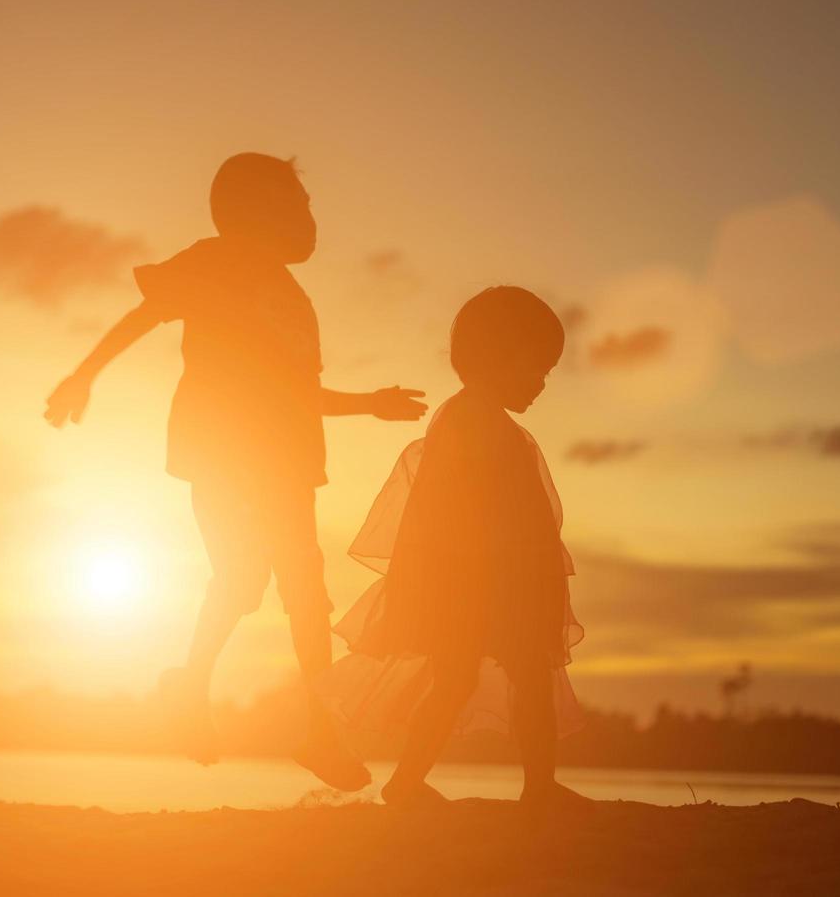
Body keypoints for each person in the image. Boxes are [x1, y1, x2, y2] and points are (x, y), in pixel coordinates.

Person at [43, 152, 426, 790]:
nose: (311, 219)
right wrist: (84, 375)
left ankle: (319, 732)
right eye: (299, 206)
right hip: (223, 448)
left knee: (307, 592)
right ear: (256, 214)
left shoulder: (296, 301)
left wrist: (370, 405)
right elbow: (147, 314)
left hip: (288, 461)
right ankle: (192, 686)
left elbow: (303, 393)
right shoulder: (218, 259)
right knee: (246, 579)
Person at [326, 286, 588, 809]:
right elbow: (458, 513)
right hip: (481, 584)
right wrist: (488, 581)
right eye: (534, 367)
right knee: (506, 676)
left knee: (472, 678)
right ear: (495, 359)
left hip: (494, 581)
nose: (540, 383)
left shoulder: (486, 423)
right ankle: (533, 787)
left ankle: (417, 781)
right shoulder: (471, 422)